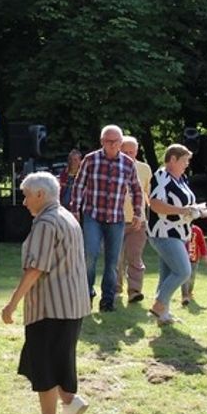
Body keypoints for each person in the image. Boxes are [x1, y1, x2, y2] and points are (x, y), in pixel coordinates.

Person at [1, 171, 91, 414]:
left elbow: (35, 268)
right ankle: (70, 401)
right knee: (57, 361)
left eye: (27, 195)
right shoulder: (67, 217)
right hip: (73, 304)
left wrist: (12, 304)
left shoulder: (45, 222)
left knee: (45, 366)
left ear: (40, 194)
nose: (24, 202)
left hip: (50, 307)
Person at [68, 124, 145, 312]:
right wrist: (75, 209)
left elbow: (136, 189)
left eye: (116, 141)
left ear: (120, 142)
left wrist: (137, 212)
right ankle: (86, 294)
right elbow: (79, 185)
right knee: (90, 256)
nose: (112, 145)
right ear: (102, 142)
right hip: (93, 215)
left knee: (112, 262)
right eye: (109, 141)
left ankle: (107, 300)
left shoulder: (127, 163)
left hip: (116, 218)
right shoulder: (91, 160)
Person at [146, 144, 205, 325]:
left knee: (168, 274)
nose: (187, 164)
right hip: (164, 232)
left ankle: (163, 316)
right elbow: (155, 203)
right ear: (172, 159)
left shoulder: (181, 179)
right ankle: (158, 305)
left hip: (179, 233)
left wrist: (196, 211)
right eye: (184, 160)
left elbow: (185, 205)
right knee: (183, 271)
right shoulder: (162, 176)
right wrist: (183, 210)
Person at [117, 135, 153, 304]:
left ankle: (134, 291)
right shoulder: (113, 166)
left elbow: (148, 195)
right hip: (115, 220)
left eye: (132, 152)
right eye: (125, 152)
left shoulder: (144, 169)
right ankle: (115, 290)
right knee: (116, 258)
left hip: (138, 221)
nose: (129, 155)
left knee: (134, 256)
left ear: (137, 151)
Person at [181, 223, 207, 306]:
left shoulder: (197, 230)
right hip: (183, 258)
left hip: (194, 259)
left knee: (192, 277)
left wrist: (204, 254)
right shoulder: (180, 229)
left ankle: (189, 292)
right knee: (185, 277)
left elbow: (202, 243)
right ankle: (185, 295)